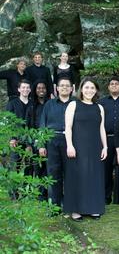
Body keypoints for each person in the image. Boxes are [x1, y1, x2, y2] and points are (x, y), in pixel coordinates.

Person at [64, 77, 107, 221]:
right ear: (81, 89)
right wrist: (69, 145)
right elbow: (68, 127)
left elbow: (102, 129)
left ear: (96, 91)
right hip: (77, 147)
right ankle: (76, 210)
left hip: (95, 147)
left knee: (94, 177)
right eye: (87, 87)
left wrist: (105, 146)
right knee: (78, 177)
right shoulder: (73, 105)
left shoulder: (99, 107)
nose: (89, 90)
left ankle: (93, 208)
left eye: (92, 88)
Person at [39, 77, 73, 211]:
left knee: (70, 175)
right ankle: (54, 207)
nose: (64, 87)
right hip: (52, 142)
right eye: (62, 86)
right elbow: (43, 124)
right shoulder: (49, 104)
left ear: (71, 89)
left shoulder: (75, 103)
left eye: (67, 86)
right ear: (57, 89)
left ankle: (70, 205)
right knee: (54, 174)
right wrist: (41, 144)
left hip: (71, 143)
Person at [98, 77, 119, 205]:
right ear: (108, 87)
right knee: (106, 170)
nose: (114, 86)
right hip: (106, 140)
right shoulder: (101, 102)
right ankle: (105, 198)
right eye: (111, 84)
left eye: (116, 84)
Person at [25, 80, 49, 195]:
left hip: (49, 140)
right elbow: (28, 126)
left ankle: (49, 191)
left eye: (43, 88)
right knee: (38, 168)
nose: (41, 90)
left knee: (49, 168)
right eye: (39, 88)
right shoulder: (31, 107)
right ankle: (40, 193)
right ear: (35, 90)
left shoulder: (50, 104)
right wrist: (29, 144)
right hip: (35, 142)